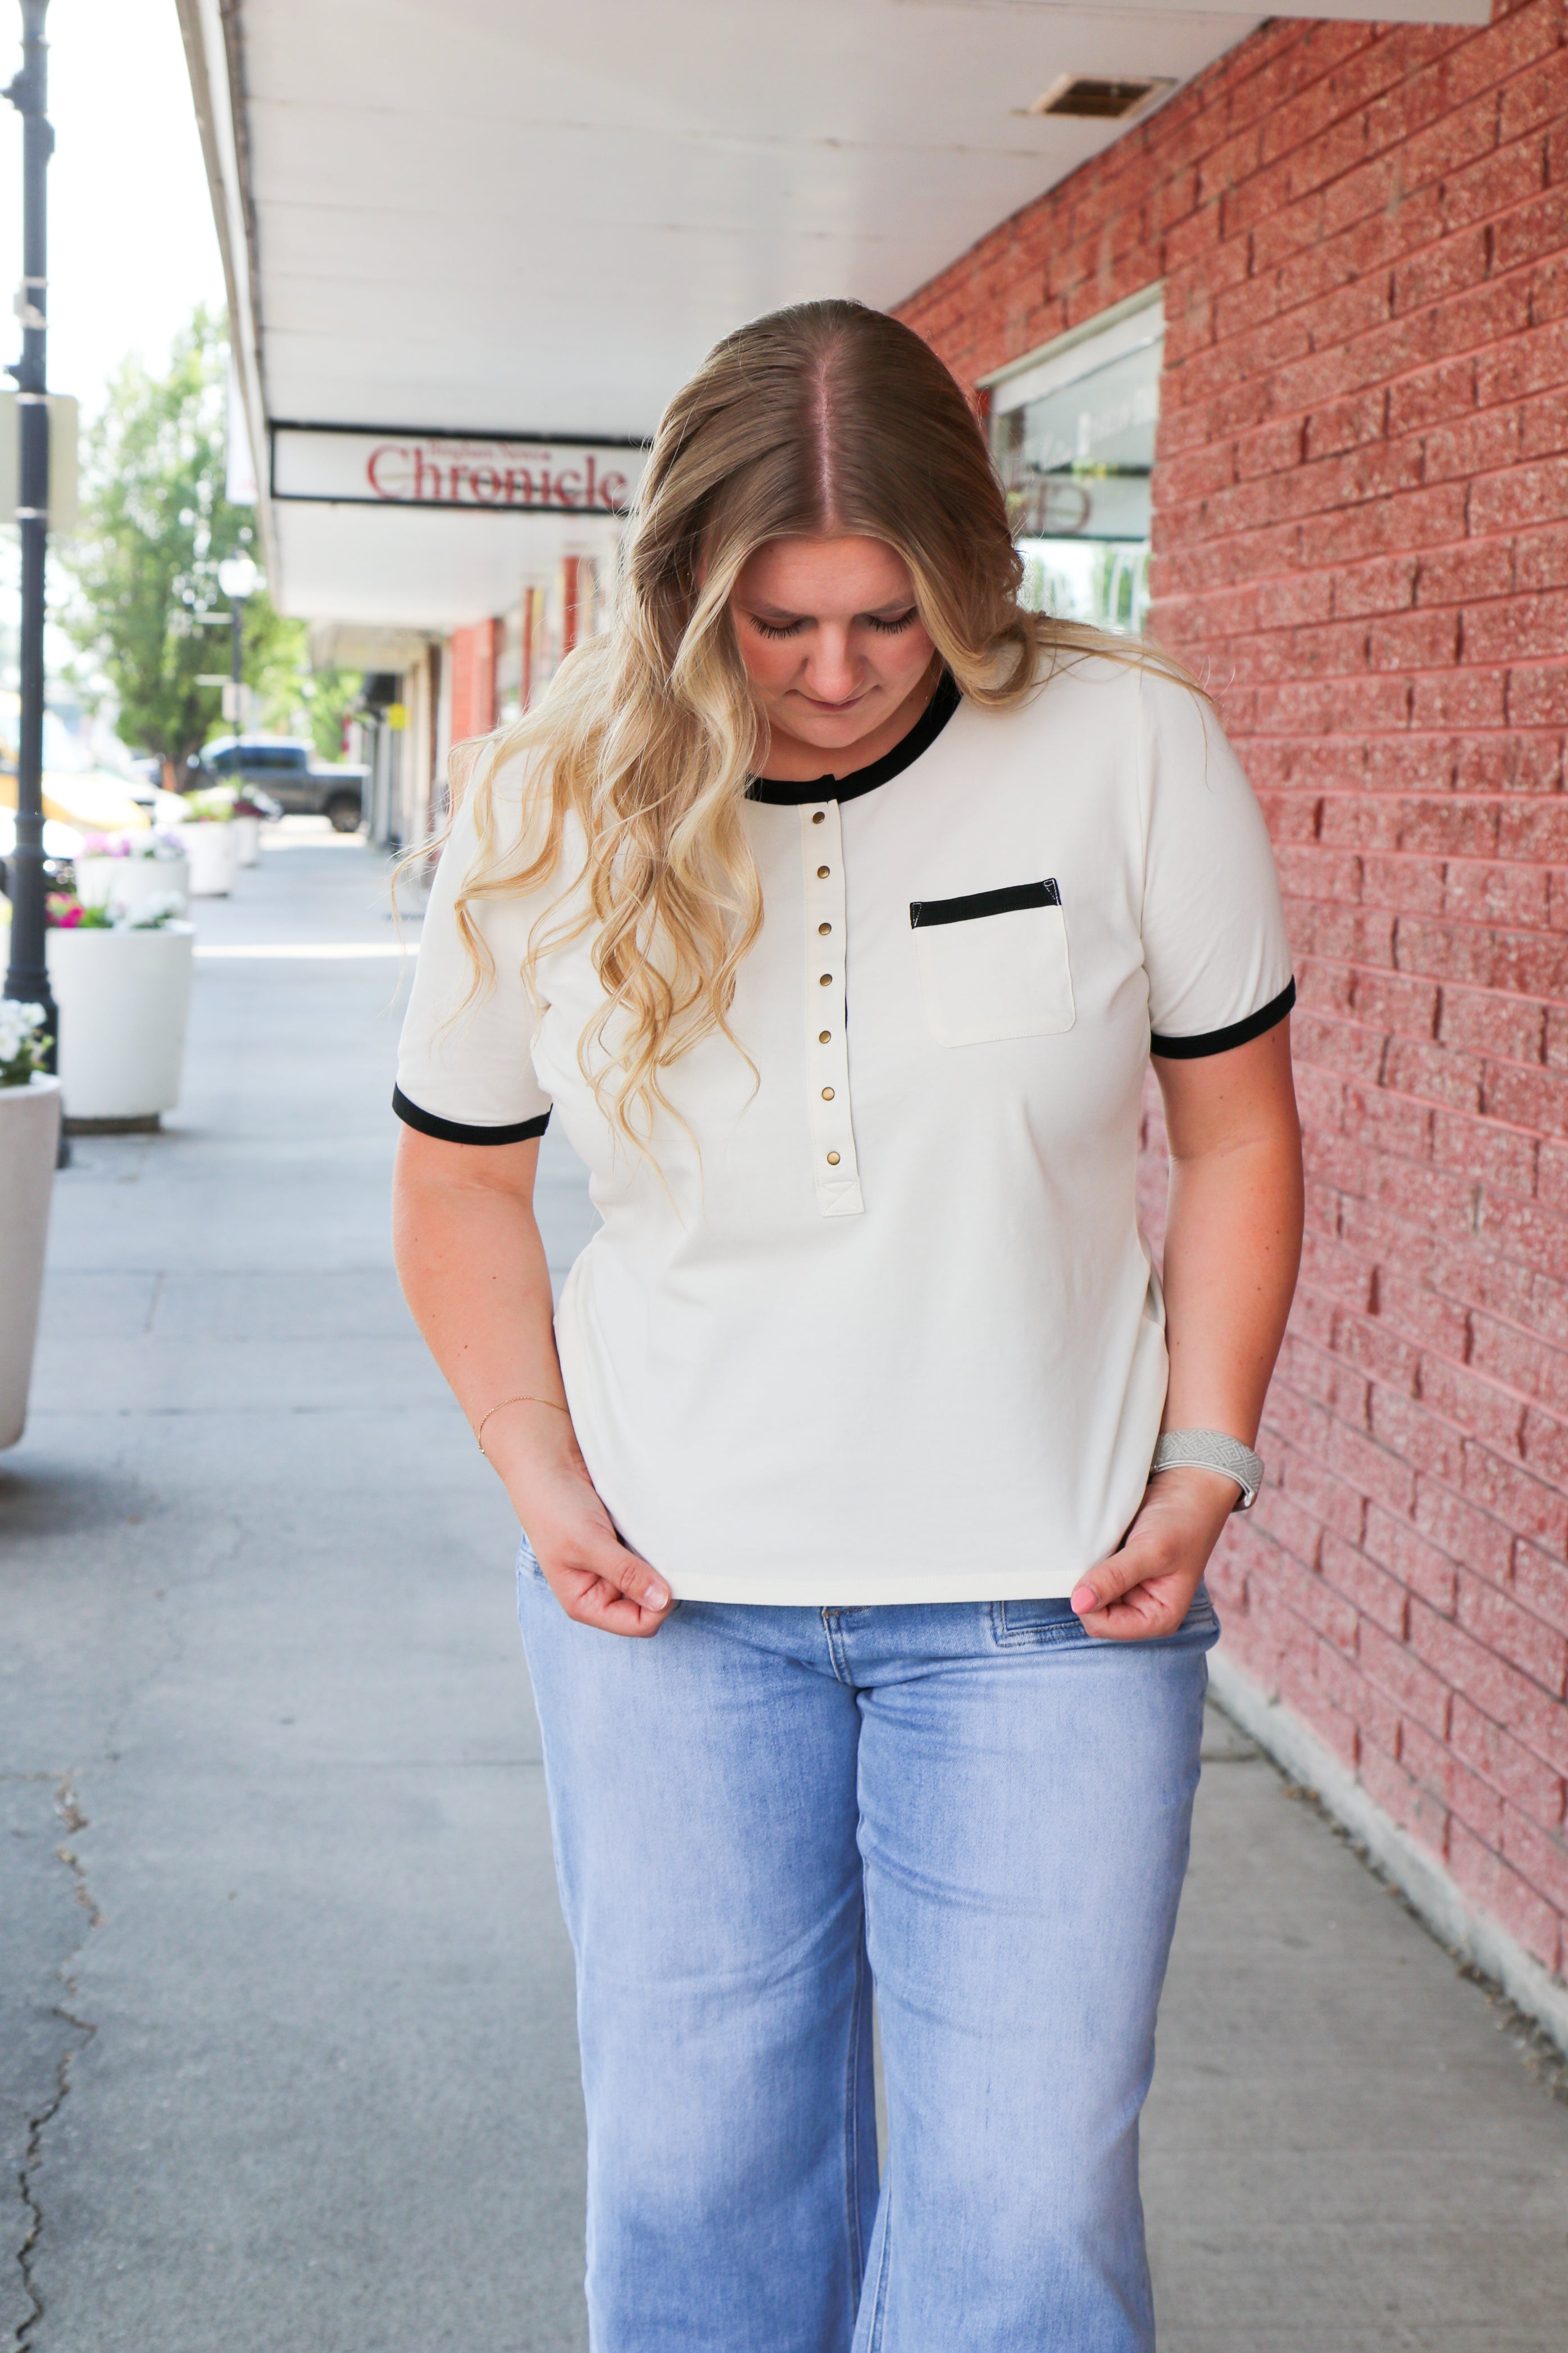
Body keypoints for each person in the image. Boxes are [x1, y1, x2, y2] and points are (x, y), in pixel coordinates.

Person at [392, 299, 1303, 2353]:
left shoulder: (1126, 747)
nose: (829, 671)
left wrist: (1206, 1457)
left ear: (967, 571)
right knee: (697, 2180)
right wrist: (536, 1466)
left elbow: (1238, 1131)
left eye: (886, 619)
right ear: (683, 588)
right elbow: (456, 1179)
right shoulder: (546, 791)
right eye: (775, 622)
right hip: (669, 1603)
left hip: (1050, 1604)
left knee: (1025, 2216)